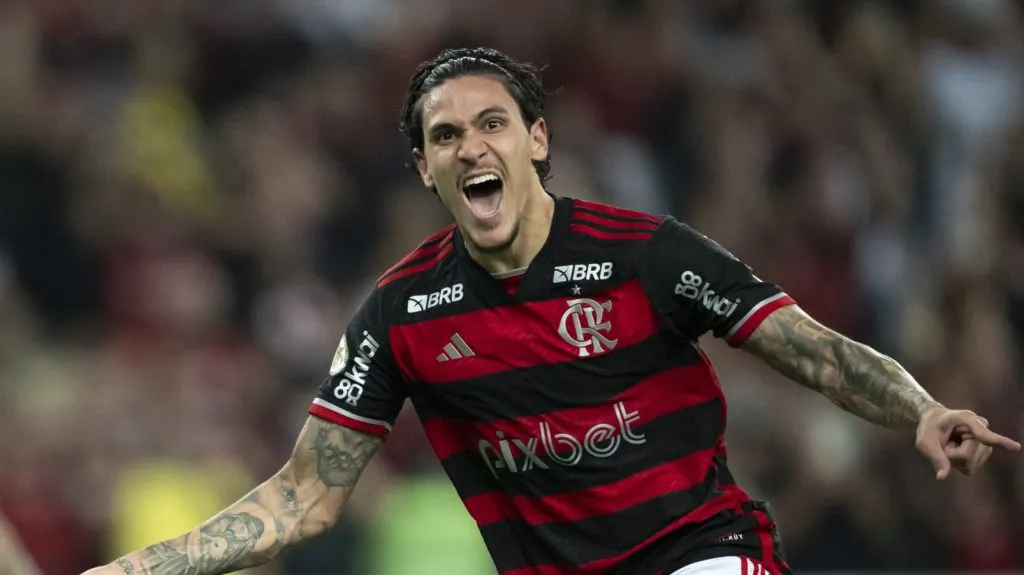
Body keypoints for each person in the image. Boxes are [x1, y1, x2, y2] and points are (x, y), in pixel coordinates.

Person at [83, 47, 1020, 575]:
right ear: (424, 168)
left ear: (536, 140)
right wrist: (141, 566)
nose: (468, 147)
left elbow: (814, 351)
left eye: (491, 123)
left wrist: (922, 410)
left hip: (702, 552)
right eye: (443, 136)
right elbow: (305, 494)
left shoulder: (645, 251)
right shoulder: (403, 311)